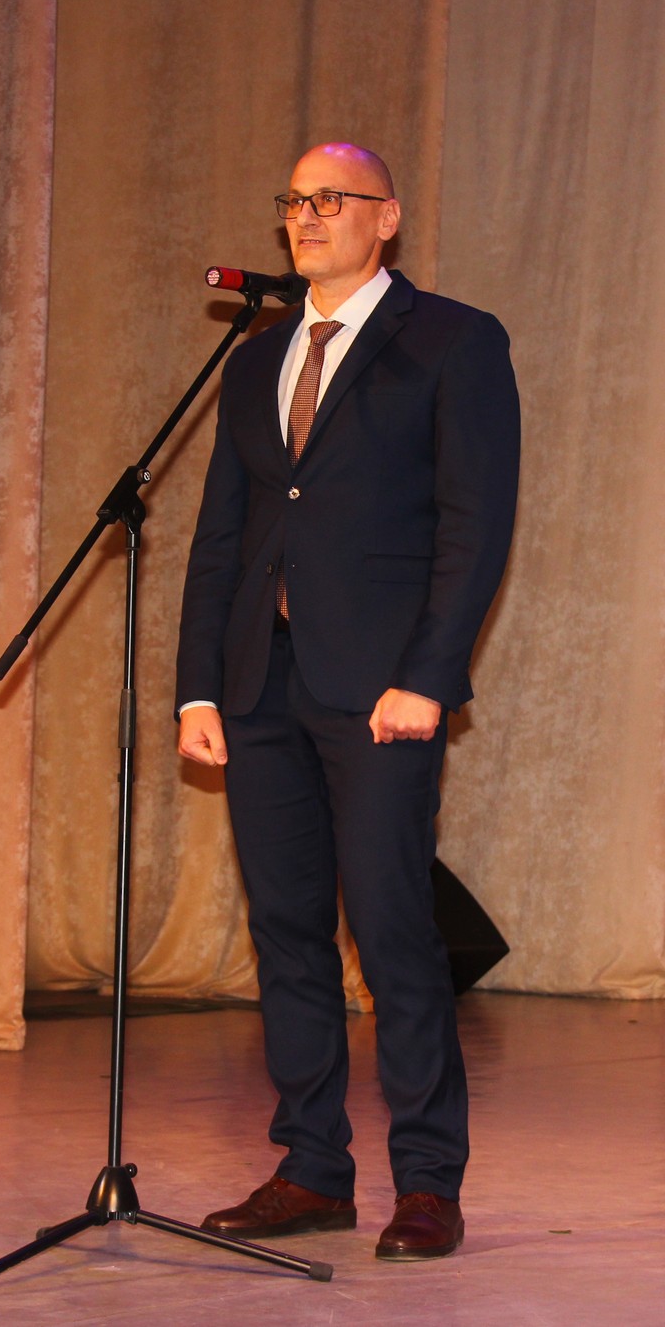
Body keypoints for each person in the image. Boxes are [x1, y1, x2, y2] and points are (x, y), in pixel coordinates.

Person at [174, 142, 519, 1261]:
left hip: (380, 690)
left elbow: (474, 525)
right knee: (285, 932)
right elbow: (222, 536)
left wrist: (429, 675)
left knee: (390, 928)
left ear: (388, 217)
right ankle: (311, 1167)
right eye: (295, 201)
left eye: (332, 198)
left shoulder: (451, 341)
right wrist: (197, 686)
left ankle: (427, 1181)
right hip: (259, 683)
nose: (308, 216)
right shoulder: (255, 359)